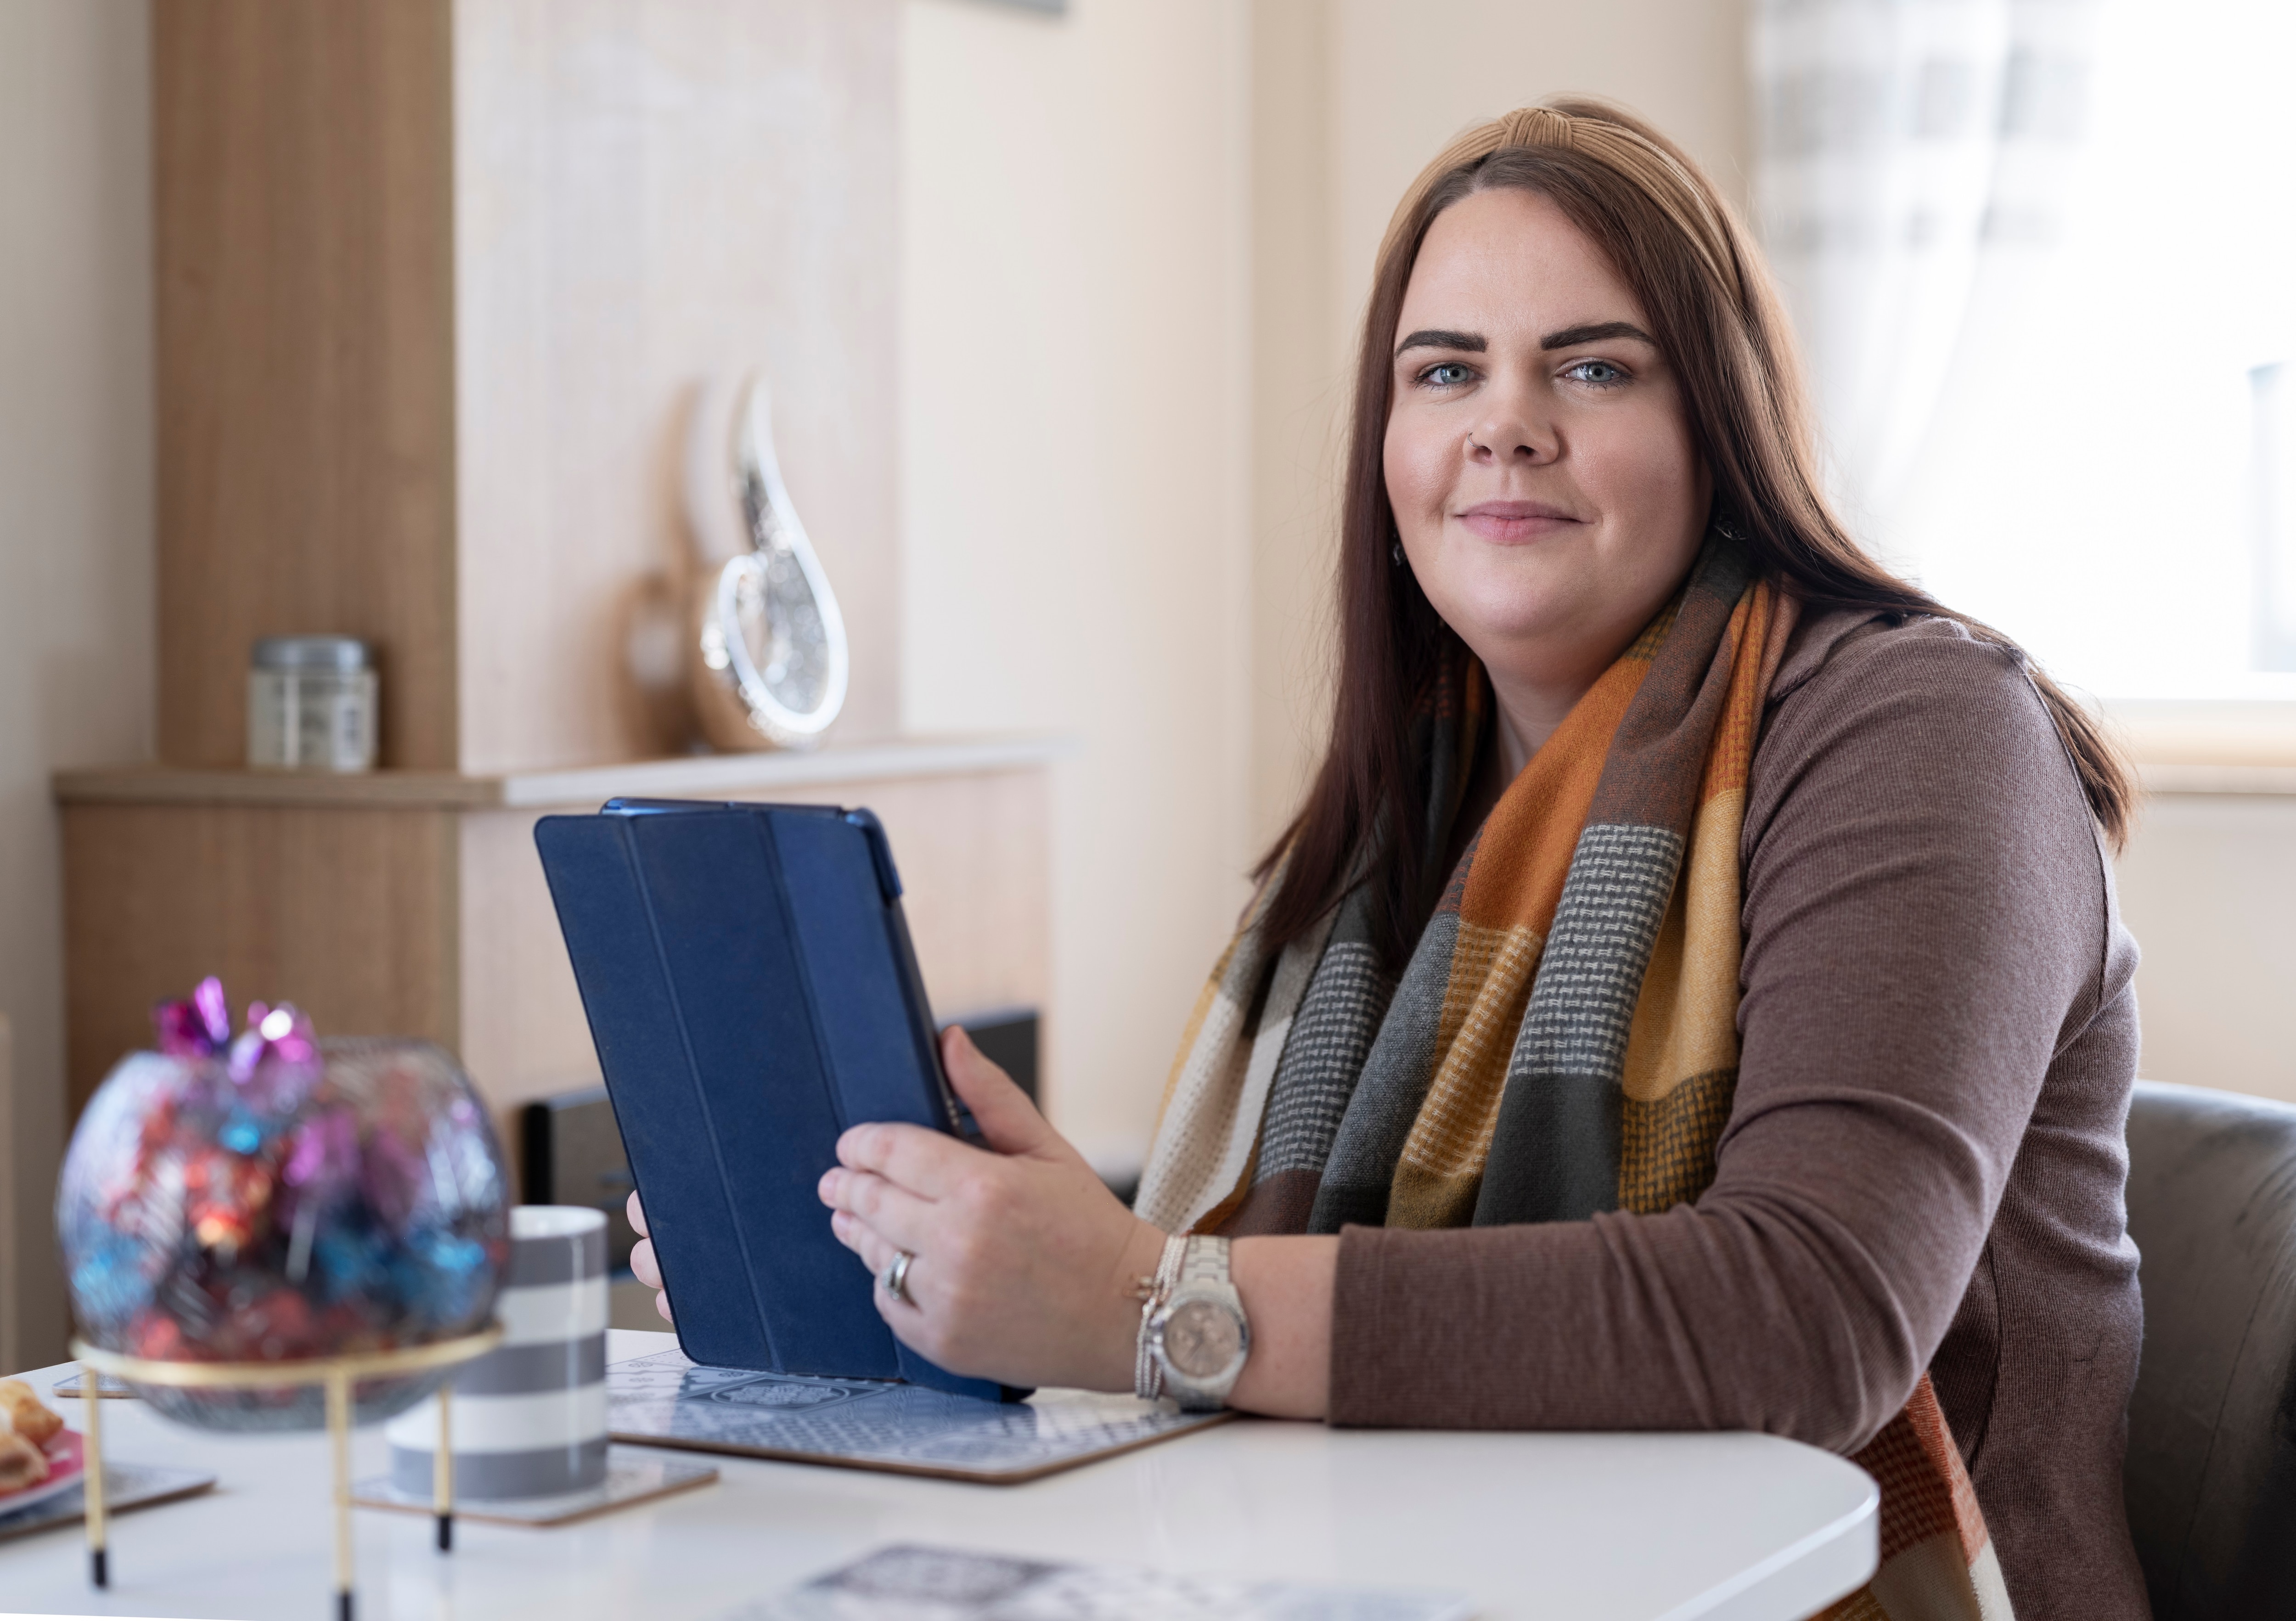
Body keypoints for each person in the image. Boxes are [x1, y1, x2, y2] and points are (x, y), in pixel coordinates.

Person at [630, 101, 2145, 1621]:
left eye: (1595, 366)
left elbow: (1814, 1311)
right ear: (1389, 449)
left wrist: (1148, 1301)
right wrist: (996, 1250)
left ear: (1721, 423)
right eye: (1445, 372)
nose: (1505, 422)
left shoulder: (1927, 728)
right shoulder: (1404, 812)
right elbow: (1278, 1302)